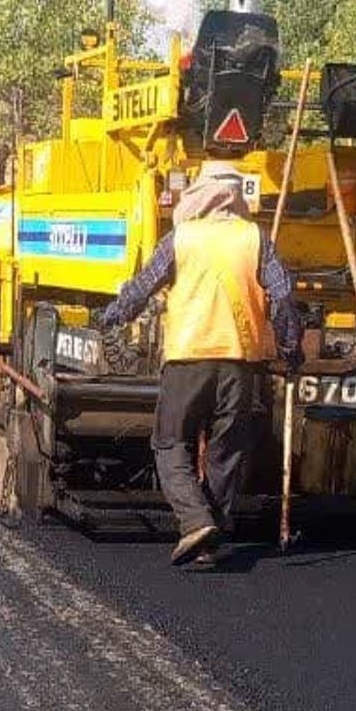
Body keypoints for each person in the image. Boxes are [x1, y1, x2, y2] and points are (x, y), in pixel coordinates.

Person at [99, 167, 305, 566]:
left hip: (188, 359)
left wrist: (112, 316)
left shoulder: (183, 238)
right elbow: (282, 300)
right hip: (240, 364)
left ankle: (195, 520)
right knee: (227, 452)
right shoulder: (255, 238)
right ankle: (209, 538)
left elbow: (142, 287)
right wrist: (292, 350)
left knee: (170, 442)